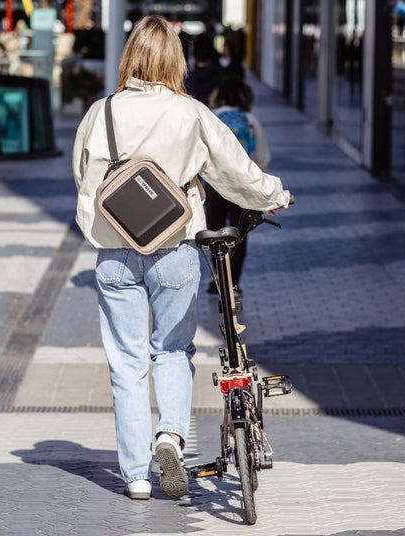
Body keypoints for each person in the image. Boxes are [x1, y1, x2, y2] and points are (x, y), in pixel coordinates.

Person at [72, 15, 290, 501]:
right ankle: (169, 436)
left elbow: (82, 176)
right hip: (175, 250)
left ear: (129, 56)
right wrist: (274, 194)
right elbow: (235, 169)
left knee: (126, 363)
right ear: (176, 59)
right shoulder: (190, 113)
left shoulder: (101, 112)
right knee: (172, 351)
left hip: (113, 252)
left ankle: (135, 476)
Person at [203, 76, 269, 295]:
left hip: (214, 185)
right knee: (239, 235)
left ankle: (217, 279)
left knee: (215, 235)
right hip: (242, 186)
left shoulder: (211, 118)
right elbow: (262, 159)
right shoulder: (250, 120)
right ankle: (233, 283)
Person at [184, 34, 221, 106]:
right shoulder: (216, 77)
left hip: (194, 109)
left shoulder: (189, 78)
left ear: (196, 58)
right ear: (209, 59)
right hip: (211, 110)